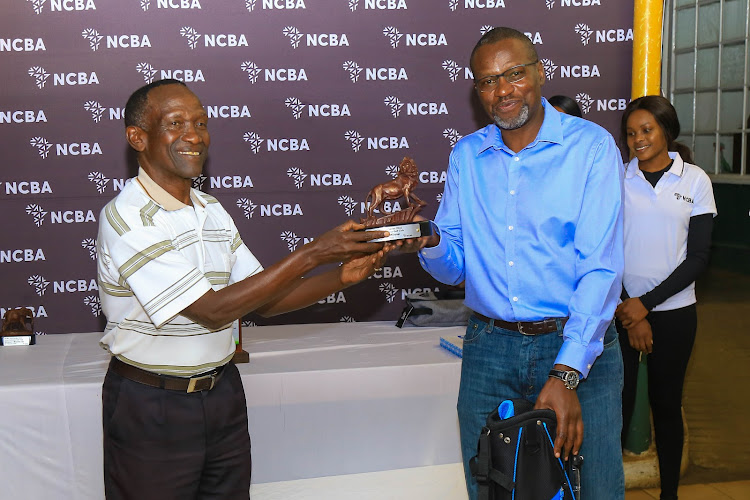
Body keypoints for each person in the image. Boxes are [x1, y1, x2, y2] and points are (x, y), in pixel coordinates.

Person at [96, 79, 389, 499]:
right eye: (176, 123)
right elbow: (212, 310)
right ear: (137, 137)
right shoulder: (128, 218)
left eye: (200, 122)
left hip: (222, 395)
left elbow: (264, 301)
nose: (194, 135)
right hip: (151, 405)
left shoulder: (210, 209)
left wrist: (339, 278)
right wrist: (314, 253)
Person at [398, 27, 625, 499]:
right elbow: (456, 265)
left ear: (540, 74)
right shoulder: (467, 155)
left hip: (578, 346)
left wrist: (566, 372)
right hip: (489, 349)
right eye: (487, 81)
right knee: (491, 486)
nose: (502, 91)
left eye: (514, 74)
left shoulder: (591, 148)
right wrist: (426, 237)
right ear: (475, 89)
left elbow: (600, 269)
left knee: (595, 488)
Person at [616, 95, 716, 500]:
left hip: (675, 314)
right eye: (630, 133)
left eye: (646, 130)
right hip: (621, 311)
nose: (638, 139)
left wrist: (647, 304)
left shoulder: (694, 180)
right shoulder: (617, 179)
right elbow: (603, 248)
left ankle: (669, 495)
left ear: (666, 131)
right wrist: (632, 311)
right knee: (615, 408)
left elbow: (698, 258)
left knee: (666, 406)